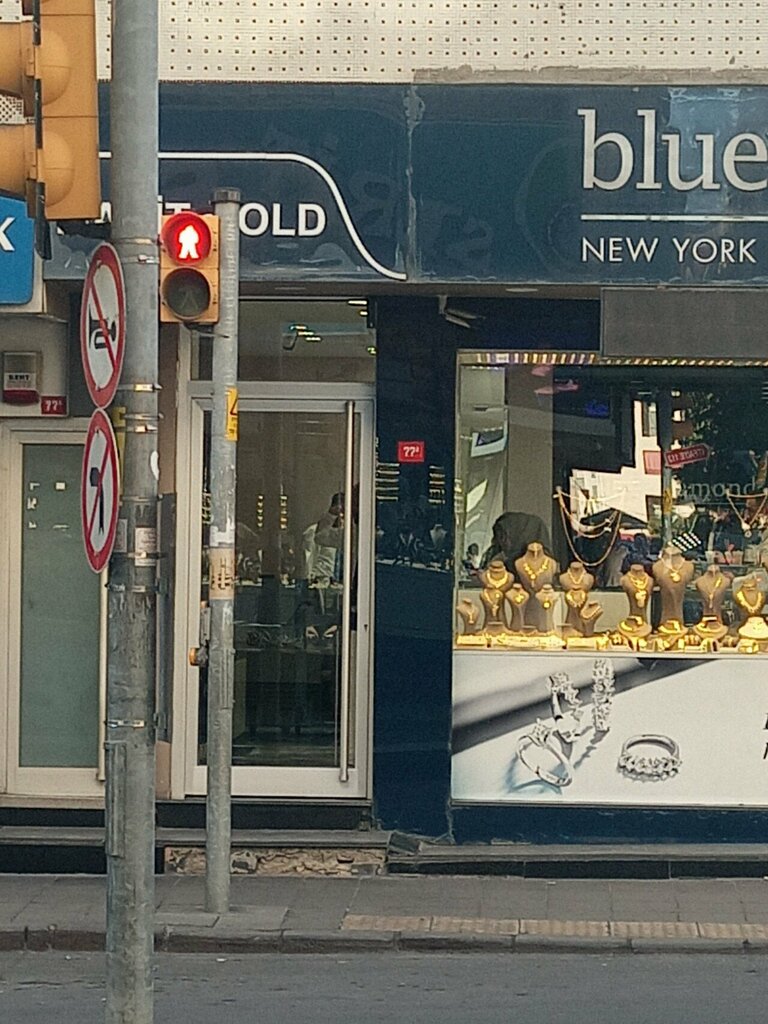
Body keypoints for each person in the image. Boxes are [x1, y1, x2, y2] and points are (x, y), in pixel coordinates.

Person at [481, 511, 551, 570]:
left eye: (506, 536)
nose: (502, 542)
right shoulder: (499, 558)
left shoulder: (545, 566)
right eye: (500, 538)